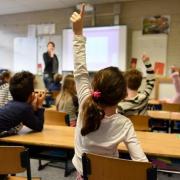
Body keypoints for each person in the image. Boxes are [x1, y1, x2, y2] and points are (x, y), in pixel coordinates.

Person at [70, 4, 148, 178]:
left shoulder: (84, 105)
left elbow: (80, 70)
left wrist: (77, 34)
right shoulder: (125, 124)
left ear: (94, 88)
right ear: (122, 96)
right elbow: (142, 164)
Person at [0, 71, 45, 137]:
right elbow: (39, 126)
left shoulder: (10, 104)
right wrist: (39, 105)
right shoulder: (25, 109)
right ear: (32, 95)